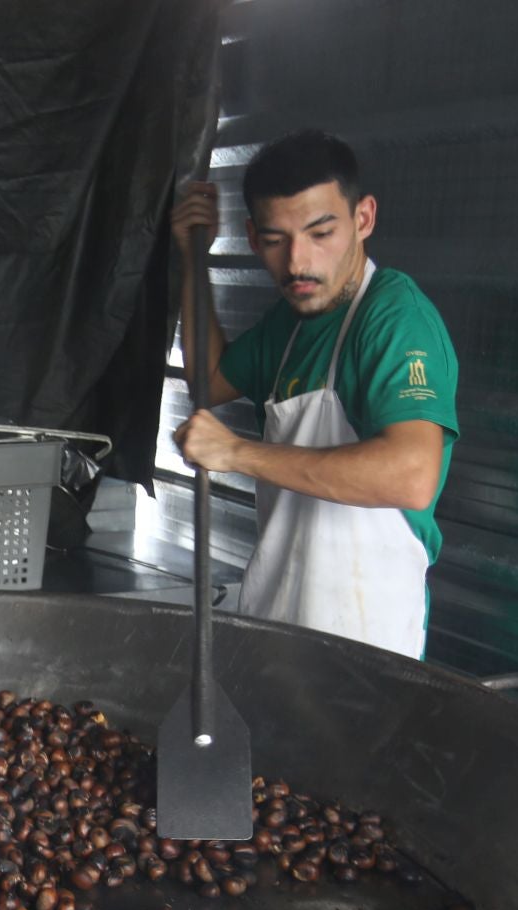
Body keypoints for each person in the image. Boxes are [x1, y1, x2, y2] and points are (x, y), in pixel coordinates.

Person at [171, 130, 458, 659]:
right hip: (277, 622)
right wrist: (194, 260)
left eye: (320, 233)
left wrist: (236, 453)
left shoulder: (393, 318)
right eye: (277, 240)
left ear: (363, 219)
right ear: (254, 239)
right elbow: (209, 382)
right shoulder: (292, 324)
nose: (298, 263)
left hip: (365, 645)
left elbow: (412, 474)